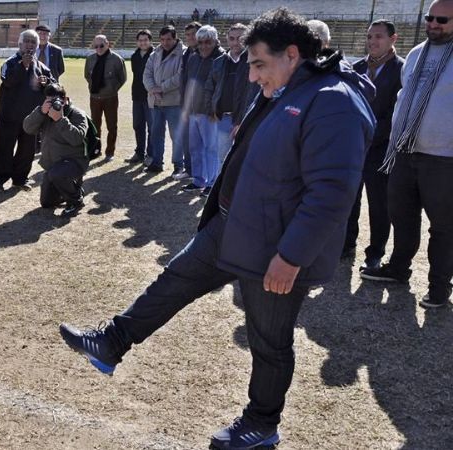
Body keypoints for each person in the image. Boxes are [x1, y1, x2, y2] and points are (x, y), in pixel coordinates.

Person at [59, 8, 375, 450]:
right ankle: (113, 342)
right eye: (249, 64)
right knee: (175, 279)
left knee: (269, 341)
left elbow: (332, 193)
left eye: (259, 64)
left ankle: (261, 424)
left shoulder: (334, 99)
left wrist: (292, 257)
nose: (252, 75)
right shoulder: (287, 85)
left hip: (276, 249)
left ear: (292, 53)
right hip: (234, 226)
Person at [362, 0, 453, 309]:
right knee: (402, 217)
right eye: (430, 17)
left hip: (443, 159)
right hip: (403, 152)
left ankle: (439, 287)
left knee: (443, 225)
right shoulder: (416, 54)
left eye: (442, 19)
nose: (433, 24)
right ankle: (398, 269)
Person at [344, 20, 404, 266]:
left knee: (379, 205)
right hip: (354, 147)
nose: (372, 42)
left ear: (393, 39)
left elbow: (396, 113)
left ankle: (375, 253)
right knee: (349, 200)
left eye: (378, 36)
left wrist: (369, 134)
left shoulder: (402, 70)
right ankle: (346, 245)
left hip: (380, 148)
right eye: (369, 37)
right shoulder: (356, 68)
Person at [0, 29, 52, 192]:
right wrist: (23, 67)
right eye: (27, 41)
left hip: (31, 119)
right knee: (4, 148)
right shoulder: (9, 63)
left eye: (33, 42)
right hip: (9, 117)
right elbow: (8, 82)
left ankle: (20, 179)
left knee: (27, 151)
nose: (30, 45)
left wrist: (46, 84)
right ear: (19, 43)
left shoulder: (42, 67)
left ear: (37, 46)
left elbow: (53, 87)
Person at [23, 83, 88, 216]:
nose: (53, 104)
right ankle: (70, 189)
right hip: (53, 165)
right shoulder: (44, 113)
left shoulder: (77, 114)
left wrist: (60, 120)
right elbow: (27, 128)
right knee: (46, 203)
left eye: (56, 101)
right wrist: (40, 111)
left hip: (74, 163)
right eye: (49, 100)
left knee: (57, 174)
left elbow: (76, 138)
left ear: (64, 99)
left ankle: (75, 200)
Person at [204, 24, 258, 172]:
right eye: (232, 38)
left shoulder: (255, 62)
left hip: (247, 120)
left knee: (245, 158)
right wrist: (211, 110)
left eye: (240, 39)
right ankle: (222, 192)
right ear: (227, 39)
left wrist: (242, 120)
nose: (235, 42)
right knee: (222, 157)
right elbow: (209, 88)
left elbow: (257, 93)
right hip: (224, 118)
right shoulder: (219, 62)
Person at [181, 25, 224, 195]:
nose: (204, 46)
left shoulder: (221, 59)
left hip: (210, 113)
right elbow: (186, 84)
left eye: (208, 42)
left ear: (215, 41)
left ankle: (212, 183)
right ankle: (198, 180)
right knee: (195, 148)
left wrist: (214, 109)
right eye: (201, 42)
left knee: (211, 149)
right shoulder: (193, 58)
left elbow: (220, 88)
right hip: (193, 112)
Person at [143, 25, 185, 174]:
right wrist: (153, 89)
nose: (165, 42)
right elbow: (146, 74)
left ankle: (179, 165)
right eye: (162, 39)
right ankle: (156, 162)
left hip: (174, 102)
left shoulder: (183, 53)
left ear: (175, 38)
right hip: (155, 101)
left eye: (168, 39)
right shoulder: (155, 53)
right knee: (156, 134)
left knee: (177, 136)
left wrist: (161, 88)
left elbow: (181, 76)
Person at [84, 34, 126, 161]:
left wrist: (112, 89)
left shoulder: (116, 59)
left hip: (110, 98)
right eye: (95, 46)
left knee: (112, 125)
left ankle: (110, 152)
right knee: (95, 125)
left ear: (108, 44)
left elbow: (122, 78)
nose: (98, 48)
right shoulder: (90, 59)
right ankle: (96, 149)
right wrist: (94, 87)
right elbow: (87, 76)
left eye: (101, 45)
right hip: (95, 98)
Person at [173, 21, 202, 175]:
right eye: (188, 35)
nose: (190, 37)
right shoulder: (186, 53)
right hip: (185, 104)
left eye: (194, 34)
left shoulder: (204, 53)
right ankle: (189, 170)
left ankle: (199, 173)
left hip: (199, 106)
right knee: (186, 139)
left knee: (198, 142)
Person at [126, 29, 153, 164]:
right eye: (140, 40)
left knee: (151, 127)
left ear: (150, 41)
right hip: (136, 96)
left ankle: (150, 154)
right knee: (138, 125)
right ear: (137, 42)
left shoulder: (155, 55)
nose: (143, 43)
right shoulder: (134, 56)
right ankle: (139, 153)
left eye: (145, 40)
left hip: (150, 96)